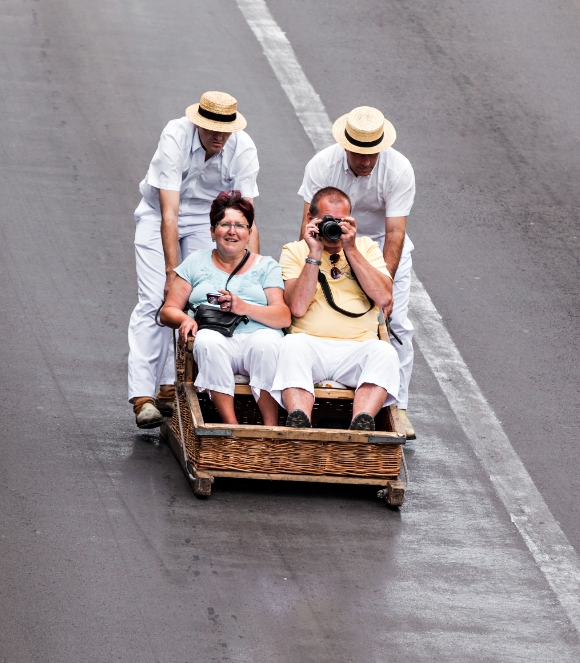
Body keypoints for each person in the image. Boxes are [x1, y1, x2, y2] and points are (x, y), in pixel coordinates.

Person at [128, 91, 260, 429]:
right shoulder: (175, 135)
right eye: (211, 128)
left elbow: (247, 217)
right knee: (156, 299)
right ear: (197, 123)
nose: (218, 137)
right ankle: (143, 397)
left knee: (203, 300)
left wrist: (253, 273)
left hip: (207, 220)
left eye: (224, 130)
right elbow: (169, 212)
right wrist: (173, 273)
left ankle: (172, 386)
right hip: (159, 214)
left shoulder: (243, 148)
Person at [298, 106, 417, 438]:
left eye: (372, 154)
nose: (366, 161)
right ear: (346, 146)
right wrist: (307, 260)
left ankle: (400, 408)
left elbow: (395, 233)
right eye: (359, 154)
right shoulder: (321, 165)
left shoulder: (399, 169)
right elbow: (307, 223)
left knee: (397, 325)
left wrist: (384, 284)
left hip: (379, 243)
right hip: (330, 241)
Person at [272, 187, 400, 431]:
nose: (334, 227)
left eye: (341, 221)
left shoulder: (366, 248)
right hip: (310, 345)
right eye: (327, 220)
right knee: (290, 346)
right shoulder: (294, 251)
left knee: (385, 353)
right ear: (310, 220)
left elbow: (384, 297)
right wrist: (314, 253)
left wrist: (350, 249)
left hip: (358, 347)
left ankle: (360, 424)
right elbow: (297, 308)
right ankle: (300, 422)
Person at [159, 192, 289, 426]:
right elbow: (168, 310)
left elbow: (282, 316)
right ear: (212, 231)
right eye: (225, 224)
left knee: (267, 344)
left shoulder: (267, 265)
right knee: (207, 340)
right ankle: (232, 426)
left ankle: (271, 427)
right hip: (215, 336)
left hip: (257, 337)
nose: (232, 231)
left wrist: (243, 306)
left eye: (240, 225)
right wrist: (183, 320)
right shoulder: (195, 262)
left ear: (249, 233)